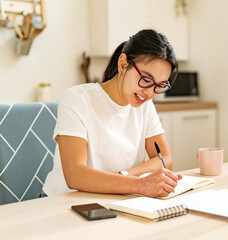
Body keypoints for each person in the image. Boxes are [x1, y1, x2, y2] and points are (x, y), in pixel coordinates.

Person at [42, 29, 181, 198]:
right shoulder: (76, 99)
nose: (150, 93)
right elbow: (75, 176)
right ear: (123, 64)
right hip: (62, 202)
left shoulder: (145, 105)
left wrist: (125, 176)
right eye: (145, 80)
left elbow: (165, 159)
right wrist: (141, 184)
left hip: (113, 199)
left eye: (160, 85)